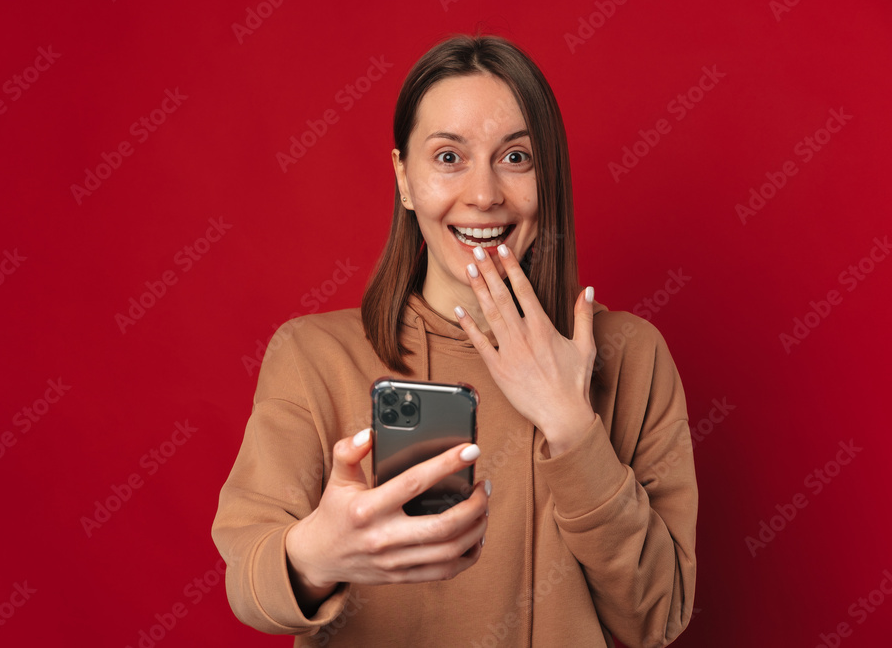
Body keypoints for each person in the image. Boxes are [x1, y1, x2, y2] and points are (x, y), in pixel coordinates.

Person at [212, 33, 697, 647]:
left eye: (516, 157)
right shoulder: (311, 355)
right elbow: (248, 585)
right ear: (404, 179)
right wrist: (314, 557)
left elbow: (658, 616)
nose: (485, 194)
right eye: (449, 158)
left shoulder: (633, 356)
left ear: (550, 175)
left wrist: (573, 428)